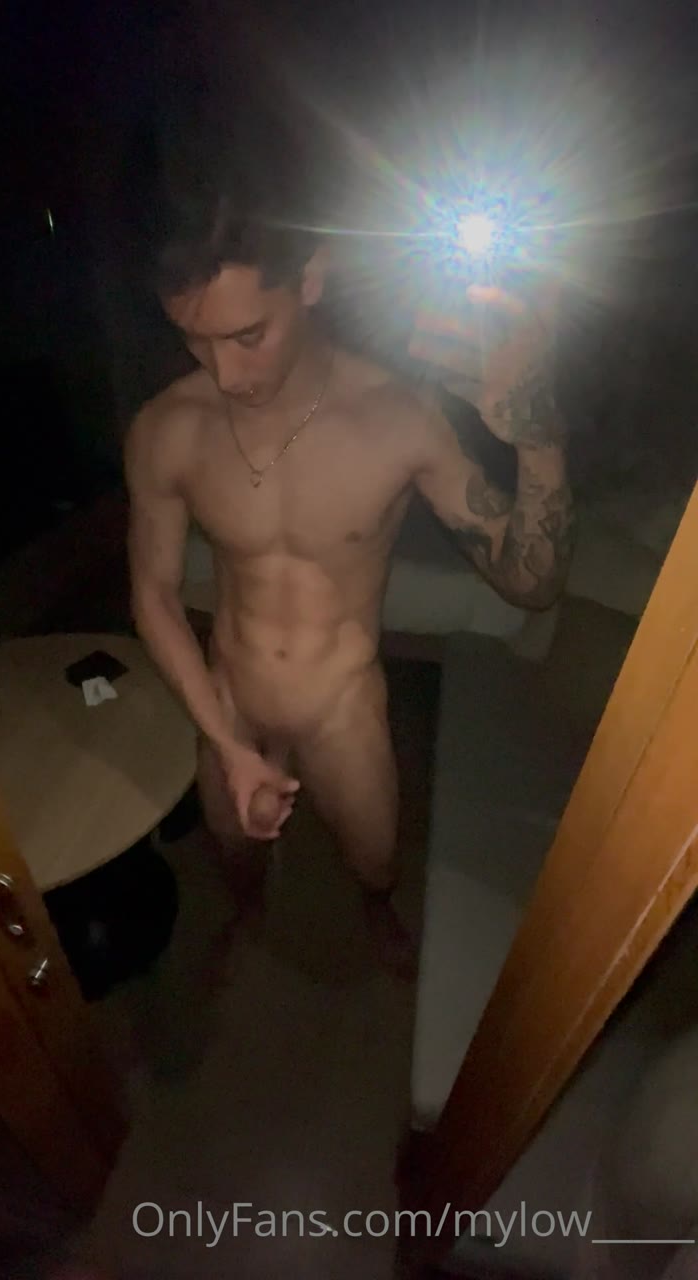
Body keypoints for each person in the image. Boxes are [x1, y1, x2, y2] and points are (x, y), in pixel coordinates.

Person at [124, 154, 573, 980]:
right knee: (234, 854)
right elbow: (151, 595)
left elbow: (531, 584)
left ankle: (376, 912)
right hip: (230, 696)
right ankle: (250, 913)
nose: (224, 374)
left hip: (341, 706)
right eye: (193, 339)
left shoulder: (400, 417)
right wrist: (228, 744)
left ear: (312, 279)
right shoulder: (167, 428)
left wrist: (538, 440)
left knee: (376, 860)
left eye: (247, 336)